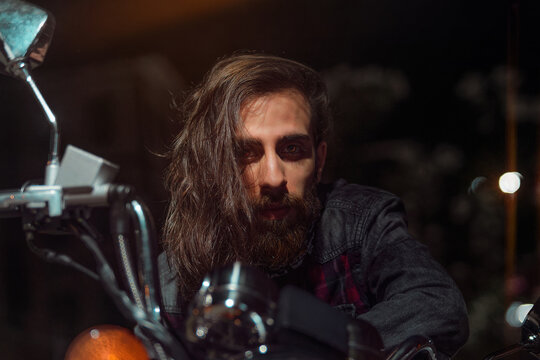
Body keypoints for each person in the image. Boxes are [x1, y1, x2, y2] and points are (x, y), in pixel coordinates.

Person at [159, 53, 469, 358]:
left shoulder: (359, 223)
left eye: (292, 149)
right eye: (245, 153)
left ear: (319, 161)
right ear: (213, 164)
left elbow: (438, 304)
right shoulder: (173, 279)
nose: (273, 178)